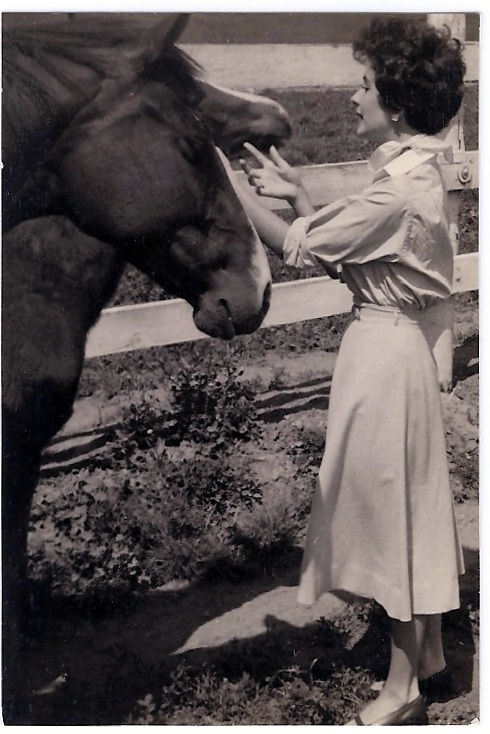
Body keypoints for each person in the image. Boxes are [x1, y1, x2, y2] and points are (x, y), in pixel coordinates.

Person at [221, 15, 467, 727]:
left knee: (388, 522)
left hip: (385, 364)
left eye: (363, 86)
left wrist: (225, 187)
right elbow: (356, 253)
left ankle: (403, 693)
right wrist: (300, 194)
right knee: (409, 512)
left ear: (393, 100)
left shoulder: (396, 192)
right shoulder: (411, 178)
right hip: (394, 354)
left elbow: (301, 250)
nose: (353, 98)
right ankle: (430, 662)